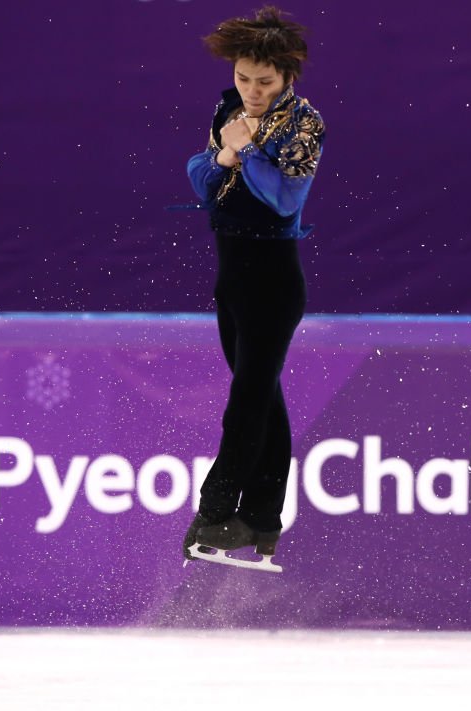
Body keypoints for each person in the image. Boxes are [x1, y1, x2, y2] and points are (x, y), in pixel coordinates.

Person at [181, 5, 325, 570]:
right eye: (244, 78)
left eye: (264, 81)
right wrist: (226, 150)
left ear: (287, 77)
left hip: (272, 280)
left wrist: (249, 148)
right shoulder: (227, 110)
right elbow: (202, 178)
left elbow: (286, 199)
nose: (252, 89)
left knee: (246, 404)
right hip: (232, 275)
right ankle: (262, 521)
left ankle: (215, 511)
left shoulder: (304, 124)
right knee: (263, 399)